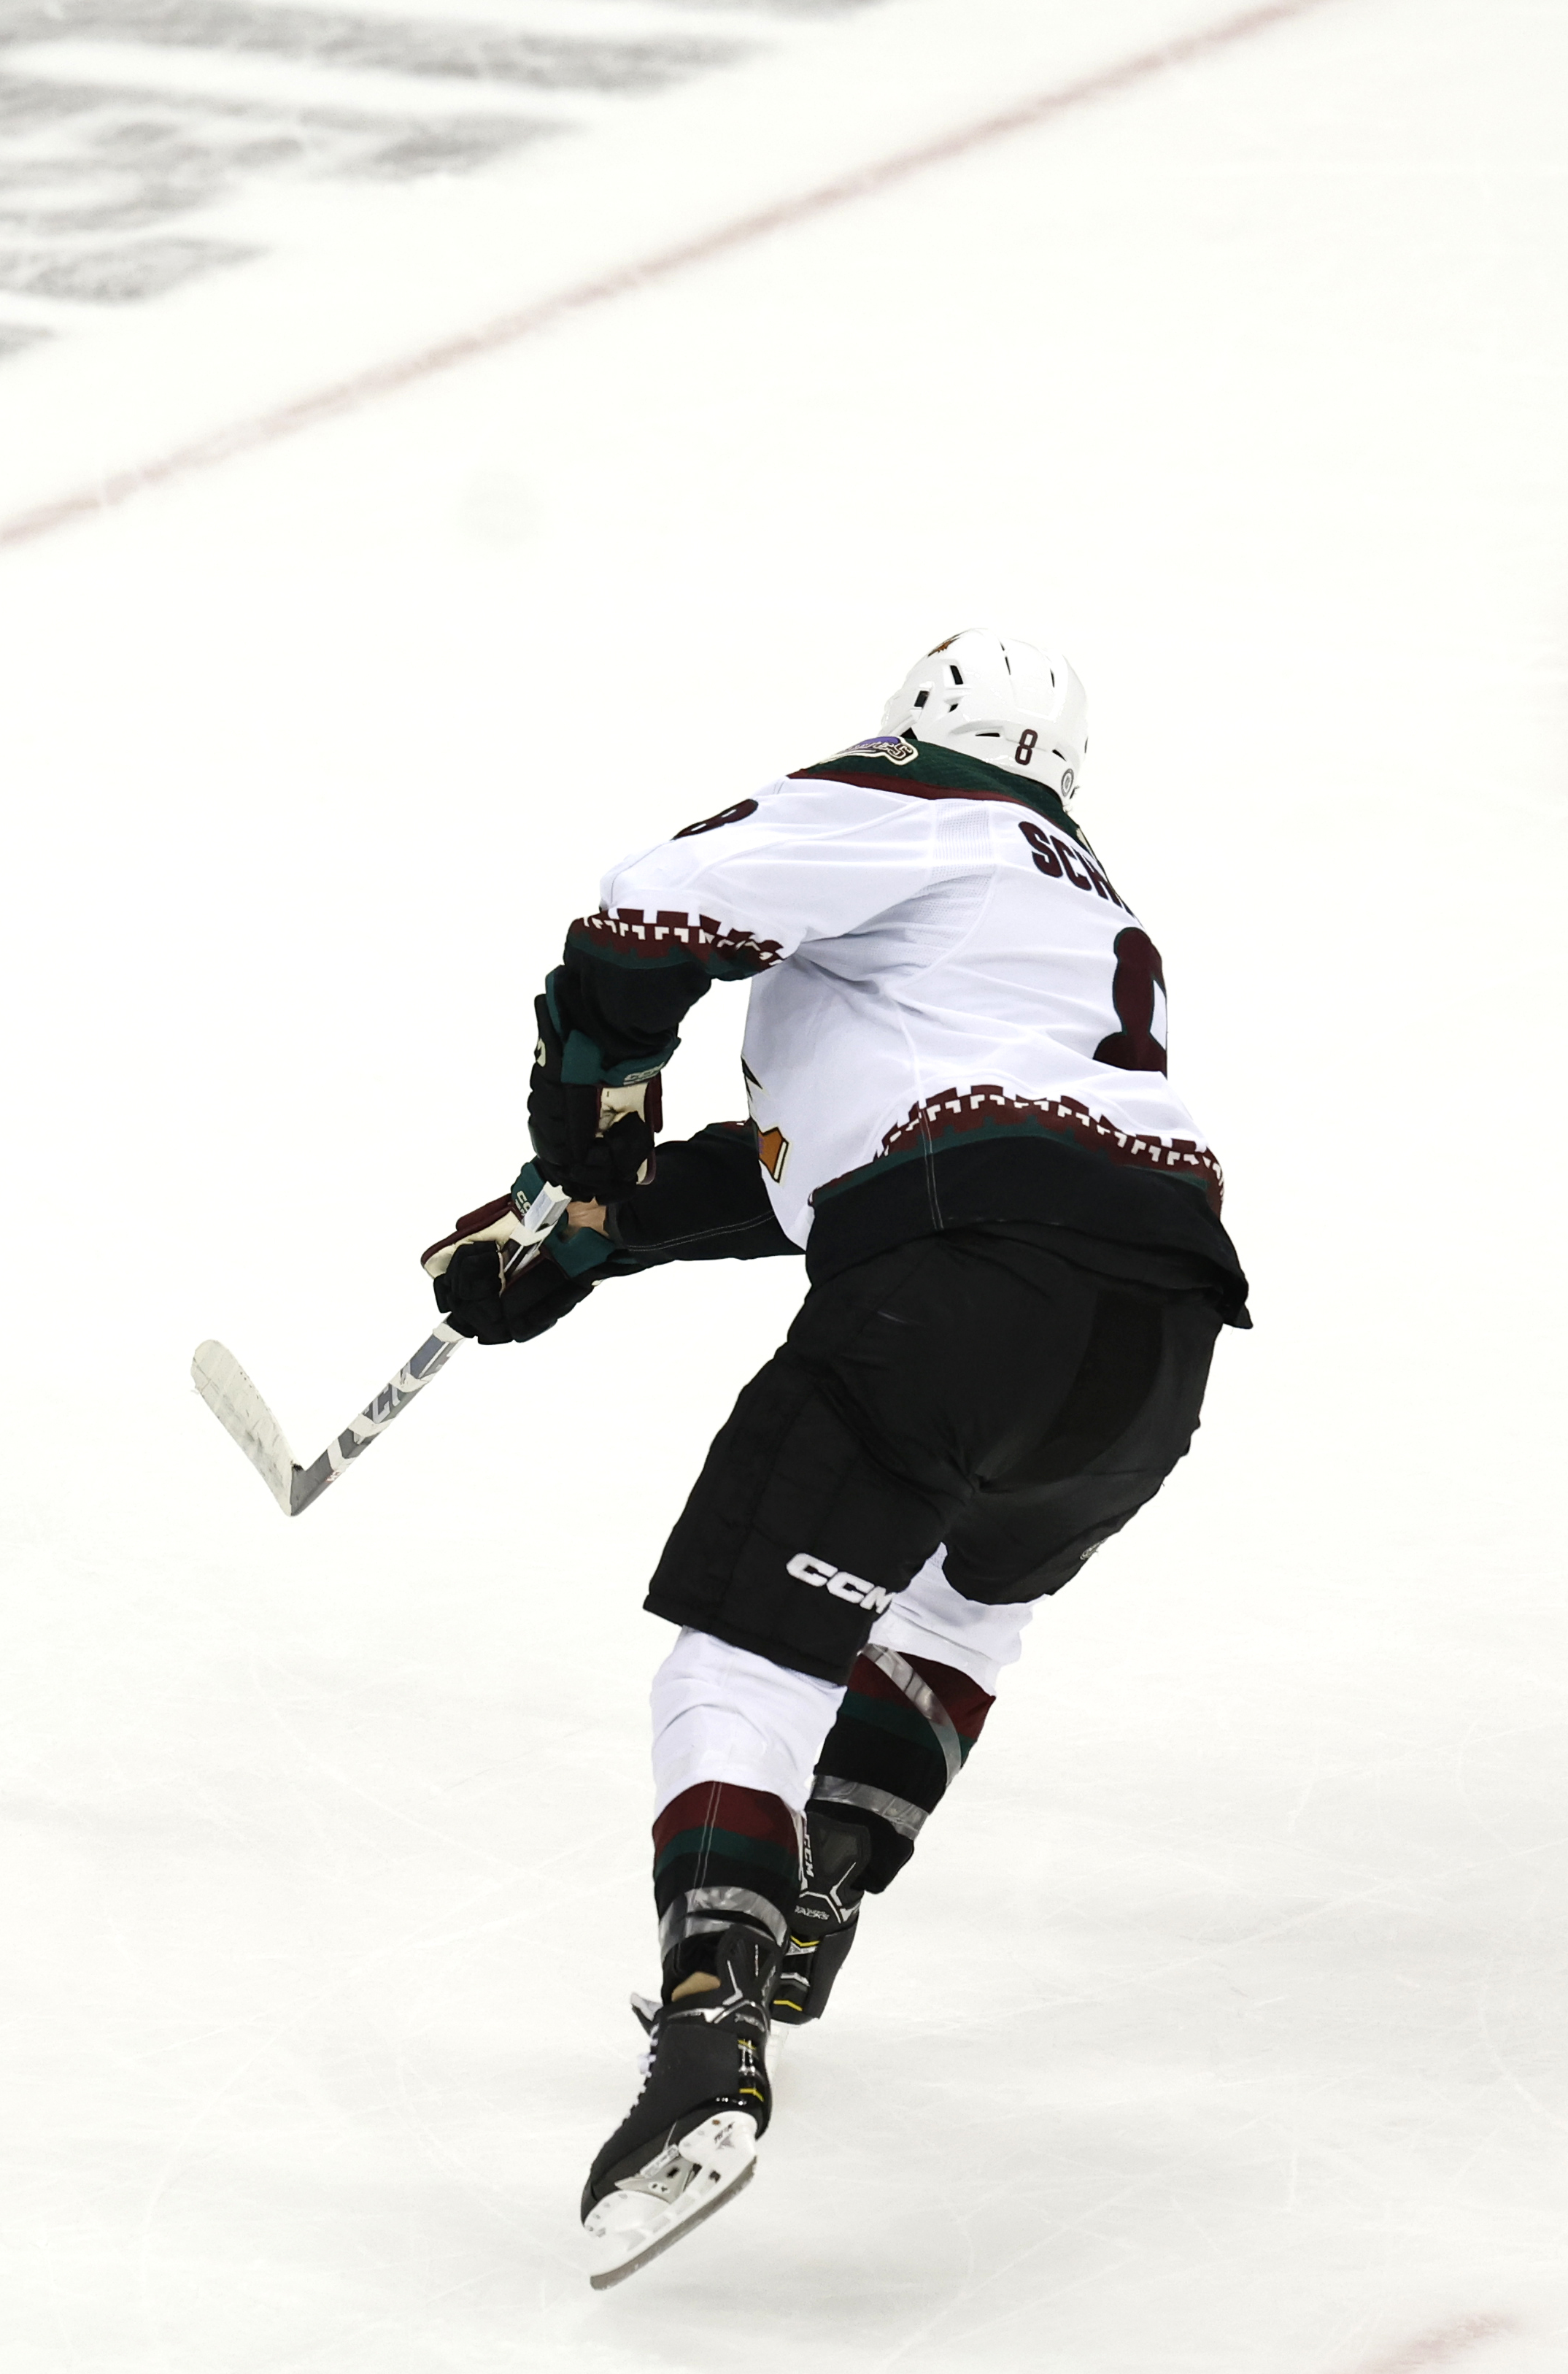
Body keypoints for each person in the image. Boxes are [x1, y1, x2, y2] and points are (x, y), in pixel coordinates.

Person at [414, 633, 1246, 2286]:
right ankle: (826, 1876)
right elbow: (839, 1158)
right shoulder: (1062, 916)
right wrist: (589, 1233)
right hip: (1154, 1334)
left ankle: (713, 2010)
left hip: (961, 1286)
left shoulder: (914, 802)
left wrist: (581, 1115)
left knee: (745, 1647)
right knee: (951, 1611)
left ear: (915, 729)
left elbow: (641, 916)